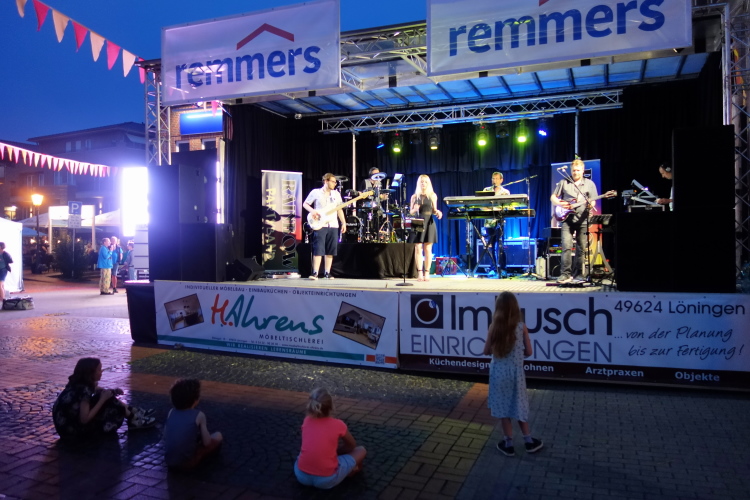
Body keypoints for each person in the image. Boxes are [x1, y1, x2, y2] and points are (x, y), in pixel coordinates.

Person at [483, 292, 543, 457]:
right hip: (516, 373)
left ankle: (508, 443)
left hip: (498, 372)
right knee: (519, 404)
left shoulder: (494, 327)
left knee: (504, 407)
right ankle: (528, 441)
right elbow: (529, 352)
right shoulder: (521, 327)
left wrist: (498, 349)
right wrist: (517, 354)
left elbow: (486, 351)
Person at [52, 357, 155, 440]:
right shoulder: (84, 391)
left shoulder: (78, 383)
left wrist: (111, 391)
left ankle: (133, 413)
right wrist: (102, 400)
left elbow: (98, 389)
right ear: (91, 373)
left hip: (66, 427)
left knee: (106, 395)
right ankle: (133, 418)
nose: (101, 371)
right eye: (99, 369)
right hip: (73, 432)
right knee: (108, 400)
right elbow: (84, 419)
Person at [294, 388, 366, 489]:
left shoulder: (307, 420)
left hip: (302, 476)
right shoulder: (338, 424)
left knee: (304, 454)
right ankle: (352, 472)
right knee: (361, 450)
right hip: (326, 480)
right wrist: (337, 452)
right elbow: (352, 445)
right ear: (331, 406)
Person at [550, 159, 598, 284]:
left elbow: (593, 200)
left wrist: (590, 205)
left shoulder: (589, 184)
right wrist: (559, 203)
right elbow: (553, 197)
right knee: (566, 246)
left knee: (581, 248)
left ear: (583, 171)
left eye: (578, 170)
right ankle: (565, 274)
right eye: (573, 170)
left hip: (582, 218)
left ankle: (579, 274)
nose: (575, 172)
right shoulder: (564, 182)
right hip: (567, 219)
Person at [164, 378, 223, 469]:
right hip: (188, 463)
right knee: (218, 436)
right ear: (195, 400)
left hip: (169, 462)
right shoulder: (199, 415)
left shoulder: (171, 412)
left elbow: (165, 436)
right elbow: (207, 443)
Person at [303, 173, 347, 280]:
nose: (335, 184)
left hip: (333, 224)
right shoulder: (316, 192)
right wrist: (313, 211)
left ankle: (327, 272)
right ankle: (315, 272)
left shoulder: (336, 194)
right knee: (318, 248)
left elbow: (339, 209)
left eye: (335, 182)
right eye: (333, 181)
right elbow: (305, 204)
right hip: (320, 224)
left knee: (330, 249)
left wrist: (343, 222)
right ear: (326, 181)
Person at [410, 174, 443, 281]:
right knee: (418, 248)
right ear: (418, 183)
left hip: (429, 222)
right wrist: (415, 209)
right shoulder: (414, 196)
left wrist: (438, 212)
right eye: (421, 182)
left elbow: (434, 210)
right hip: (418, 222)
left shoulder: (432, 195)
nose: (423, 183)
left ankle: (427, 272)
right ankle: (420, 272)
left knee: (428, 249)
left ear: (428, 183)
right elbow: (410, 212)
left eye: (425, 182)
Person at [482, 172, 510, 276]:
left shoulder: (505, 192)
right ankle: (492, 268)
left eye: (497, 179)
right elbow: (482, 205)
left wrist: (494, 210)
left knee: (500, 245)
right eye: (493, 178)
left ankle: (503, 268)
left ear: (501, 180)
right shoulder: (486, 190)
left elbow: (507, 207)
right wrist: (491, 211)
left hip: (500, 221)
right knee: (491, 246)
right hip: (489, 222)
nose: (494, 180)